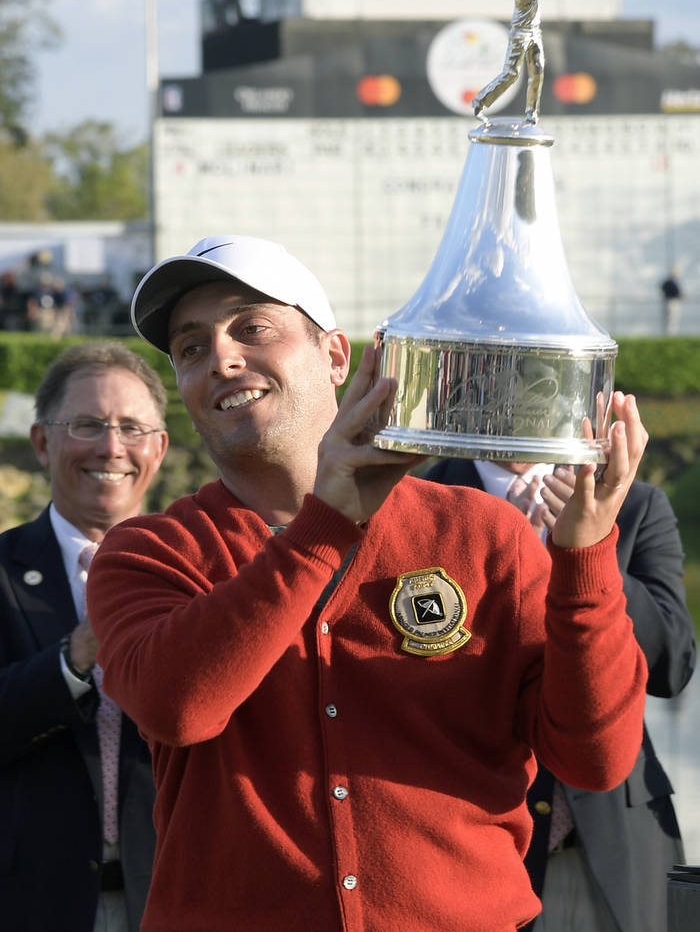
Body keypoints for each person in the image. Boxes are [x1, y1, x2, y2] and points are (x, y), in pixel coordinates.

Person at [88, 234, 649, 932]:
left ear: (333, 356)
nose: (222, 358)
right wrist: (327, 524)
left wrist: (587, 558)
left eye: (252, 327)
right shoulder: (148, 550)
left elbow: (594, 760)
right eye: (191, 349)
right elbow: (178, 708)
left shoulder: (485, 534)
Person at [425, 455, 695, 932]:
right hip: (469, 839)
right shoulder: (418, 496)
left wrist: (590, 549)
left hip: (616, 834)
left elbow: (671, 666)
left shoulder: (634, 504)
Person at [0, 342, 169, 932]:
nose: (112, 447)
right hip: (30, 901)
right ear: (43, 442)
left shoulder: (205, 572)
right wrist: (75, 658)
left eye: (132, 427)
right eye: (88, 425)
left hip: (175, 894)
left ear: (159, 448)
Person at [472, 0, 556, 124]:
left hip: (534, 32)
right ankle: (480, 102)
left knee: (538, 69)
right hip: (520, 35)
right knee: (512, 73)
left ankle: (531, 114)